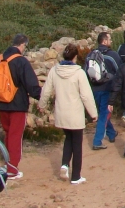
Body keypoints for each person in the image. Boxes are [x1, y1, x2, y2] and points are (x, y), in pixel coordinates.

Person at [0, 34, 41, 181]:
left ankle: (8, 163)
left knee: (8, 133)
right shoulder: (21, 61)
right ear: (23, 45)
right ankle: (12, 168)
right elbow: (32, 85)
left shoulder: (0, 58)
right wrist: (42, 98)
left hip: (2, 102)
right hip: (17, 104)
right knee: (16, 135)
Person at [40, 43, 97, 185]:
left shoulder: (54, 70)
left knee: (68, 139)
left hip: (61, 112)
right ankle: (76, 176)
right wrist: (93, 113)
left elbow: (46, 89)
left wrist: (42, 104)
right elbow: (86, 96)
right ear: (75, 57)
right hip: (75, 113)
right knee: (77, 143)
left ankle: (65, 164)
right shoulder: (79, 73)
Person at [85, 32, 120, 150]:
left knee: (102, 113)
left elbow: (86, 72)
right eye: (109, 39)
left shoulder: (91, 55)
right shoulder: (112, 55)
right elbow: (119, 71)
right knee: (104, 115)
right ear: (104, 41)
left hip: (94, 88)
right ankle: (97, 141)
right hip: (107, 89)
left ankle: (111, 133)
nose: (111, 41)